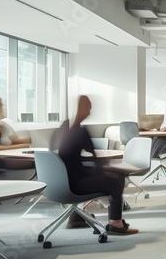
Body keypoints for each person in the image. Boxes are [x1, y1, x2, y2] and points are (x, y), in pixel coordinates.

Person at [59, 95, 137, 235]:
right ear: (80, 108)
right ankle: (116, 223)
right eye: (88, 106)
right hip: (75, 184)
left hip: (59, 182)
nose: (90, 109)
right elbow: (95, 159)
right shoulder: (80, 131)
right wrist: (105, 171)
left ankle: (77, 217)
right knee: (116, 180)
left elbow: (65, 155)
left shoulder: (64, 127)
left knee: (107, 177)